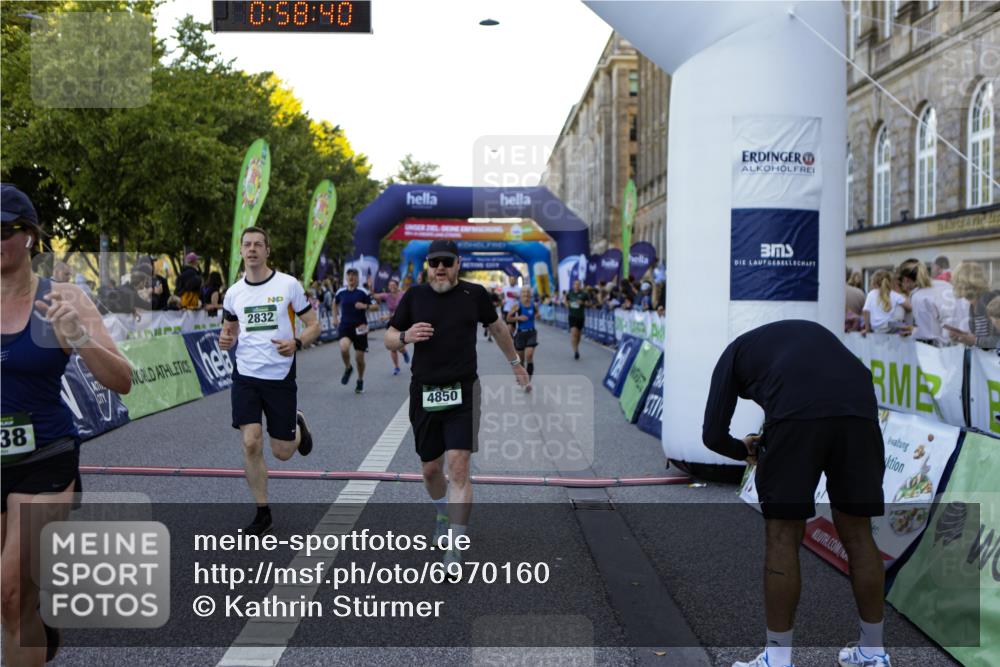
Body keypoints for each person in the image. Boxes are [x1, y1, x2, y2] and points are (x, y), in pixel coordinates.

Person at [702, 320, 889, 667]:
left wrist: (745, 450)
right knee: (859, 534)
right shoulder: (792, 337)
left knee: (783, 535)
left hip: (796, 408)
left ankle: (777, 658)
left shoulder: (731, 357)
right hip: (858, 405)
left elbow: (712, 435)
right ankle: (874, 652)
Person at [1, 184, 132, 665]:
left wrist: (79, 338)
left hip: (47, 458)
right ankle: (36, 623)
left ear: (30, 236)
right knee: (10, 603)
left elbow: (123, 381)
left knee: (12, 593)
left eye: (4, 230)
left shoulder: (64, 297)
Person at [384, 240, 529, 569]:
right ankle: (441, 513)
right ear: (427, 265)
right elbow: (389, 336)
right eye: (434, 262)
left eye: (446, 262)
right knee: (430, 469)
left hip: (463, 390)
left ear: (457, 264)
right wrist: (405, 336)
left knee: (459, 468)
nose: (440, 268)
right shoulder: (414, 296)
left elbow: (498, 327)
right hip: (424, 391)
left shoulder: (473, 295)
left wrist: (516, 363)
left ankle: (455, 547)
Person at [218, 226, 320, 536]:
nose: (252, 249)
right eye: (247, 244)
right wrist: (225, 339)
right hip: (246, 375)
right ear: (241, 250)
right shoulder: (233, 293)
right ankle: (263, 513)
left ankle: (297, 427)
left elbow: (313, 325)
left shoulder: (288, 286)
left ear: (267, 250)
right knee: (250, 442)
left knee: (283, 452)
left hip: (279, 375)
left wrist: (298, 342)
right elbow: (229, 331)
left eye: (258, 244)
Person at [334, 268, 380, 394]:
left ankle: (360, 380)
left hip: (360, 328)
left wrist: (365, 306)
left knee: (359, 359)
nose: (351, 277)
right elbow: (334, 303)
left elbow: (376, 306)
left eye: (354, 275)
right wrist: (334, 318)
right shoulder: (341, 291)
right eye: (349, 275)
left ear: (358, 278)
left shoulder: (363, 292)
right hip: (345, 326)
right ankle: (348, 368)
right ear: (346, 277)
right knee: (343, 347)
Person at [896, 259, 954, 346]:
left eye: (900, 283)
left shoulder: (918, 296)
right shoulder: (943, 285)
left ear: (906, 280)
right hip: (963, 345)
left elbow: (928, 334)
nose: (903, 288)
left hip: (944, 349)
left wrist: (913, 331)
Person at [944, 260, 1000, 349]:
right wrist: (964, 338)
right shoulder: (974, 304)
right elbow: (980, 339)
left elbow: (997, 340)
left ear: (963, 283)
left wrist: (974, 340)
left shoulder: (989, 300)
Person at [375, 278, 410, 375]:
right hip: (392, 324)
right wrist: (370, 288)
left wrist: (386, 316)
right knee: (392, 347)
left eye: (393, 285)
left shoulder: (403, 295)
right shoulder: (387, 296)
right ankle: (396, 367)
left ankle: (404, 352)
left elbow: (401, 311)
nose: (391, 287)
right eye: (390, 285)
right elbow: (375, 296)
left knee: (400, 346)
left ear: (397, 285)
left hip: (402, 322)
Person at [507, 286, 539, 378]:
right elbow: (508, 318)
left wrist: (537, 315)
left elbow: (537, 313)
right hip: (520, 333)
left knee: (529, 355)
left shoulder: (534, 305)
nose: (526, 294)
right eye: (524, 292)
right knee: (521, 360)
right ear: (521, 294)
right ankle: (523, 377)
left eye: (528, 292)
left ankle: (528, 378)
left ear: (530, 294)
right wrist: (518, 318)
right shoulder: (517, 306)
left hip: (531, 333)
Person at [566, 279, 590, 360]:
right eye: (575, 284)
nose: (576, 286)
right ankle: (576, 351)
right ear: (573, 285)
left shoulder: (584, 294)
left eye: (578, 284)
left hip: (581, 317)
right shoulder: (570, 293)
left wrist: (583, 303)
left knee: (579, 336)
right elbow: (566, 301)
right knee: (574, 334)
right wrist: (567, 304)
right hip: (572, 316)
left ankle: (576, 347)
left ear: (580, 286)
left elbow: (589, 303)